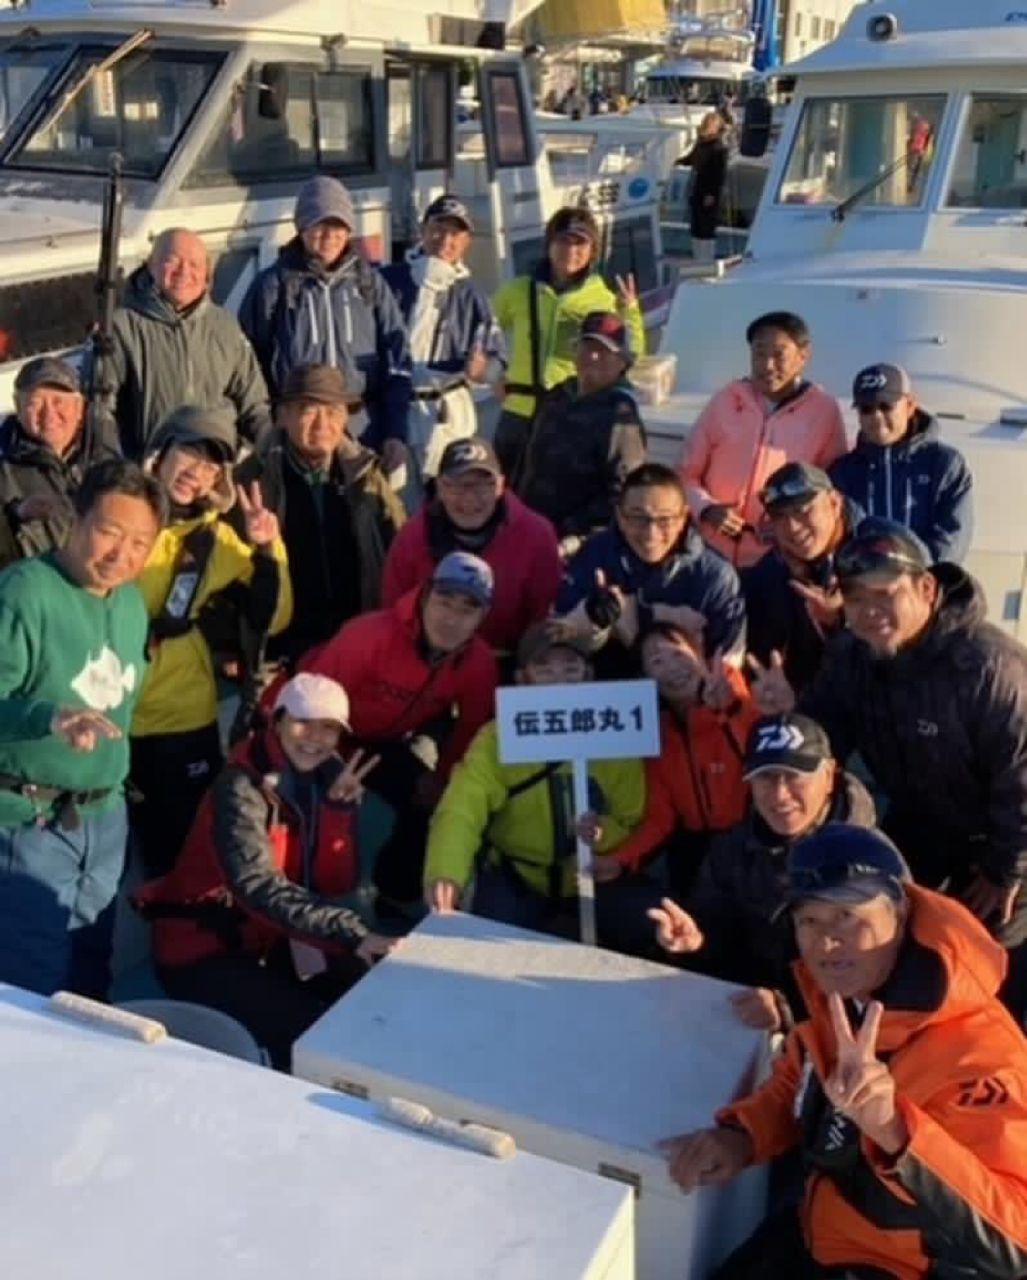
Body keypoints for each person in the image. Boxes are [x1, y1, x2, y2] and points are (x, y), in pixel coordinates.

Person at [661, 825, 1027, 1280]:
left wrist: (896, 1130)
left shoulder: (983, 1057)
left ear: (899, 913)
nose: (826, 943)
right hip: (819, 1236)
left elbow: (1016, 1241)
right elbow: (798, 1079)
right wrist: (744, 1136)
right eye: (808, 921)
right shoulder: (846, 997)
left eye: (847, 917)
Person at [751, 517, 1027, 1018]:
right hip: (920, 823)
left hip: (1004, 843)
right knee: (879, 937)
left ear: (926, 587)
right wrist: (785, 716)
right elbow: (822, 736)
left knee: (989, 969)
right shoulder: (853, 656)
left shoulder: (990, 668)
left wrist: (1007, 868)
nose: (870, 611)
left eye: (885, 594)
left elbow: (1023, 778)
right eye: (856, 599)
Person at [134, 673, 398, 1071]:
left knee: (367, 987)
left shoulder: (323, 780)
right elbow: (255, 885)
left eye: (329, 728)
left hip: (271, 938)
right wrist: (350, 931)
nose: (314, 737)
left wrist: (337, 813)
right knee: (307, 1031)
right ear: (276, 722)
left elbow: (332, 884)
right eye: (301, 722)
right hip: (201, 953)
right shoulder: (239, 787)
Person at [0, 459, 165, 998]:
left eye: (140, 542)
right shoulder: (25, 591)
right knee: (35, 986)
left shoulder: (132, 603)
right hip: (30, 823)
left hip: (104, 816)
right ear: (75, 518)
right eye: (109, 532)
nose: (122, 554)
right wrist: (47, 716)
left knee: (94, 967)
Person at [130, 407, 292, 875]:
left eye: (210, 466)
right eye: (189, 452)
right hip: (110, 714)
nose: (195, 472)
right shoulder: (119, 516)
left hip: (182, 719)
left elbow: (273, 616)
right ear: (160, 452)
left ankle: (179, 943)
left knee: (180, 849)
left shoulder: (216, 541)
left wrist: (267, 548)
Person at [424, 620, 652, 953]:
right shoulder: (496, 738)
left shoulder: (615, 734)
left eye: (570, 667)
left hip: (594, 874)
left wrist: (604, 834)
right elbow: (461, 809)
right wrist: (446, 873)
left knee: (650, 926)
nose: (559, 678)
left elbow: (632, 818)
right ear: (522, 678)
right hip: (518, 875)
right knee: (484, 953)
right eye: (544, 668)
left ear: (588, 675)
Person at [650, 712, 876, 1033]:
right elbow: (716, 940)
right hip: (746, 1017)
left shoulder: (873, 863)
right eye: (766, 777)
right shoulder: (731, 850)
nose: (780, 794)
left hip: (836, 1038)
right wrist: (694, 944)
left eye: (794, 776)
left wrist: (789, 1009)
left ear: (829, 776)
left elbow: (878, 979)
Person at [304, 552, 498, 914]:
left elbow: (470, 730)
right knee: (313, 800)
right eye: (444, 602)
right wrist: (321, 763)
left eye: (467, 610)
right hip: (319, 732)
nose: (451, 619)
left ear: (482, 617)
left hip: (380, 744)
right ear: (425, 596)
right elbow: (313, 700)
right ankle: (304, 896)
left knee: (429, 804)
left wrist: (442, 778)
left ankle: (394, 897)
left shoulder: (477, 662)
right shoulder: (369, 635)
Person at [239, 175, 412, 476]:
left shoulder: (370, 282)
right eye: (318, 224)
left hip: (364, 429)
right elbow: (247, 365)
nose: (329, 235)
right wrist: (270, 423)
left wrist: (395, 431)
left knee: (367, 515)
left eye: (338, 225)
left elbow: (398, 361)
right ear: (302, 228)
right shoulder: (273, 285)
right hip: (300, 432)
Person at [233, 364, 405, 667]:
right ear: (283, 416)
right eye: (308, 410)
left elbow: (400, 550)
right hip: (282, 650)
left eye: (334, 411)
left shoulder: (367, 475)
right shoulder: (252, 479)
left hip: (356, 640)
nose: (323, 423)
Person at [679, 311, 848, 568]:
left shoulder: (824, 411)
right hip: (710, 553)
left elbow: (833, 489)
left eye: (779, 354)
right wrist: (706, 508)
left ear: (803, 356)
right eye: (759, 353)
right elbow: (684, 473)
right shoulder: (725, 400)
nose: (767, 365)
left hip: (779, 561)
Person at [492, 205, 644, 483]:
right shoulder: (517, 290)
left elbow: (631, 355)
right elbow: (485, 329)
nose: (571, 251)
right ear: (549, 244)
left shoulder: (602, 298)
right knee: (499, 492)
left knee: (549, 490)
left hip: (565, 413)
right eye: (563, 241)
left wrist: (630, 311)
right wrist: (496, 370)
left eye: (580, 244)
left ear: (592, 251)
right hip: (517, 411)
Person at [608, 623, 758, 901]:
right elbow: (659, 817)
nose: (672, 667)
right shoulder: (656, 734)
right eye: (657, 661)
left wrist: (729, 712)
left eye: (679, 654)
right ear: (645, 676)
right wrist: (620, 859)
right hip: (691, 850)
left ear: (700, 656)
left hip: (754, 843)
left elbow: (760, 750)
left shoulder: (740, 701)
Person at [381, 437, 561, 659]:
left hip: (511, 662)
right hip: (432, 662)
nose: (469, 498)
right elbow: (394, 614)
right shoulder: (412, 537)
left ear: (501, 486)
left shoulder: (537, 534)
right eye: (456, 486)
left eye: (483, 485)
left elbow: (544, 618)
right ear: (439, 487)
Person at [102, 227, 272, 460]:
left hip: (214, 469)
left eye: (194, 265)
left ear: (207, 275)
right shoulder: (121, 327)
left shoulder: (225, 326)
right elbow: (100, 410)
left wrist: (271, 449)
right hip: (151, 474)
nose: (184, 272)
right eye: (173, 261)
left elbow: (254, 404)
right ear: (151, 265)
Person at [556, 463, 747, 670]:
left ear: (683, 518)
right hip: (614, 689)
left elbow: (727, 668)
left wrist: (707, 693)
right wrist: (591, 619)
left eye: (665, 519)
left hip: (686, 690)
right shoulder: (594, 557)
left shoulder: (715, 576)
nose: (651, 533)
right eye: (638, 518)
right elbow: (559, 642)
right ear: (620, 517)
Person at [381, 195, 505, 495]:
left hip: (448, 414)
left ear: (466, 242)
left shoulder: (473, 296)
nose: (445, 239)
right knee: (395, 503)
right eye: (438, 228)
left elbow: (498, 364)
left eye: (456, 233)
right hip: (396, 411)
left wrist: (483, 371)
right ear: (423, 230)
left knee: (449, 498)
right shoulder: (387, 281)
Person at [515, 311, 647, 549]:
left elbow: (624, 493)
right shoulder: (556, 396)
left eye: (604, 350)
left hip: (573, 543)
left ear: (622, 362)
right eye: (586, 347)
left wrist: (574, 535)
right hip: (530, 529)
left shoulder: (619, 415)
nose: (593, 356)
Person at [830, 363, 973, 564]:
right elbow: (838, 540)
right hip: (863, 588)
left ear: (910, 405)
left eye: (885, 406)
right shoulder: (842, 473)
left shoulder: (945, 464)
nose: (876, 416)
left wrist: (913, 581)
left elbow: (952, 539)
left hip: (922, 588)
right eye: (866, 409)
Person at [742, 462, 860, 695]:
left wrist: (842, 621)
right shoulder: (772, 570)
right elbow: (759, 656)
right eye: (780, 517)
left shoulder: (879, 553)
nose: (793, 528)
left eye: (803, 511)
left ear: (834, 503)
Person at [0, 357, 119, 569]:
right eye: (35, 403)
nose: (48, 414)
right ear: (18, 409)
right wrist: (15, 516)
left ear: (80, 407)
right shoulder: (5, 471)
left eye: (58, 401)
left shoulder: (109, 459)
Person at [676, 112, 729, 264]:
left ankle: (706, 260)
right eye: (705, 123)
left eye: (709, 124)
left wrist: (712, 194)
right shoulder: (701, 144)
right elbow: (691, 159)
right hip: (697, 188)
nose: (705, 127)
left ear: (716, 127)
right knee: (696, 226)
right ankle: (697, 259)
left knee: (706, 228)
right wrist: (676, 161)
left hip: (709, 192)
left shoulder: (719, 148)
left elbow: (719, 174)